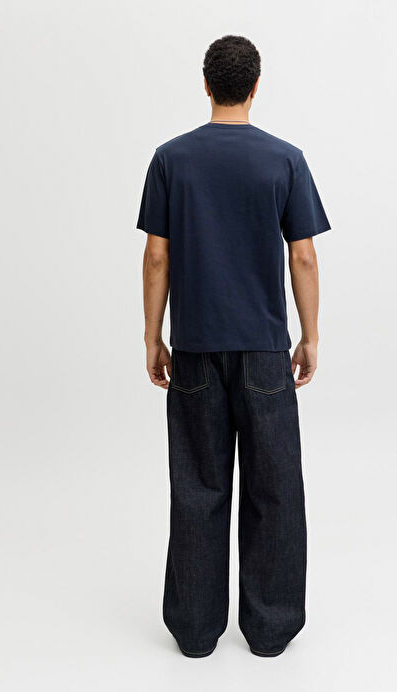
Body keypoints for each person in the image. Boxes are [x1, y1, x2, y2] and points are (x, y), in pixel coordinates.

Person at [137, 35, 330, 658]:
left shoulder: (171, 159)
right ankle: (271, 631)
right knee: (275, 491)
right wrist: (310, 335)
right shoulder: (285, 159)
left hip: (194, 348)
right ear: (255, 87)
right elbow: (303, 255)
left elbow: (157, 256)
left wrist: (153, 336)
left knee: (198, 488)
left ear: (206, 84)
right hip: (265, 352)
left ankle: (195, 633)